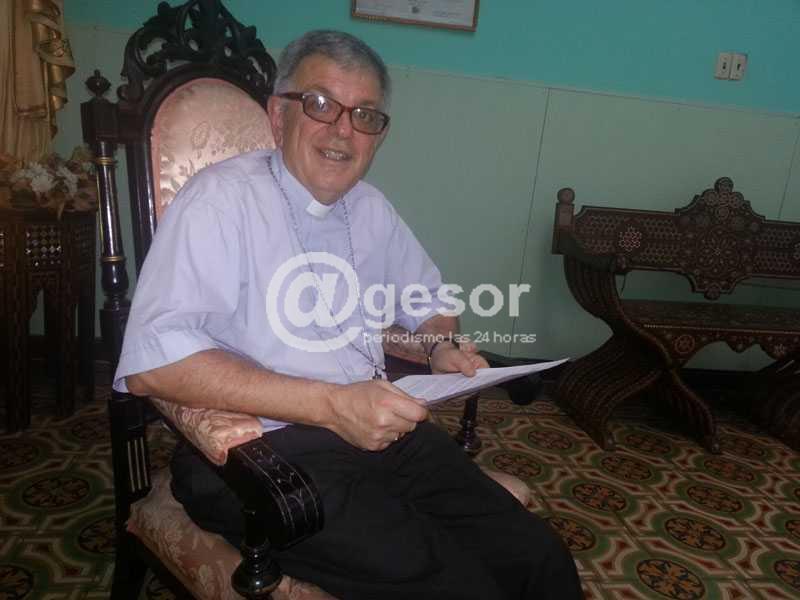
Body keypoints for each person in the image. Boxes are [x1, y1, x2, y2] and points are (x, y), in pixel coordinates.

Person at [114, 29, 583, 600]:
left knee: (539, 559)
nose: (343, 130)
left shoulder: (370, 208)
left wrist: (439, 345)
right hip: (257, 453)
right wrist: (333, 405)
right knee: (457, 583)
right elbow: (155, 364)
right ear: (278, 115)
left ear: (378, 135)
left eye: (364, 115)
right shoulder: (220, 201)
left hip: (380, 432)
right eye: (320, 104)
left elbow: (430, 303)